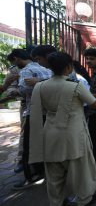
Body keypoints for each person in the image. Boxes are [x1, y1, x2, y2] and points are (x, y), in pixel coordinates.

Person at [29, 52, 96, 206]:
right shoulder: (75, 86)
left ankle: (56, 202)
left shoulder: (39, 87)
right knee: (81, 170)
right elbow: (95, 104)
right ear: (69, 67)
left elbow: (42, 111)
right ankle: (84, 199)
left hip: (50, 133)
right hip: (73, 134)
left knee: (54, 174)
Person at [8, 49, 52, 190]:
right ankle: (45, 172)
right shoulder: (46, 70)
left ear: (17, 58)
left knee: (30, 146)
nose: (14, 66)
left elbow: (22, 90)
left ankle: (32, 177)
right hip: (47, 112)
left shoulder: (26, 71)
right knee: (45, 144)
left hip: (33, 112)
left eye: (14, 62)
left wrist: (14, 90)